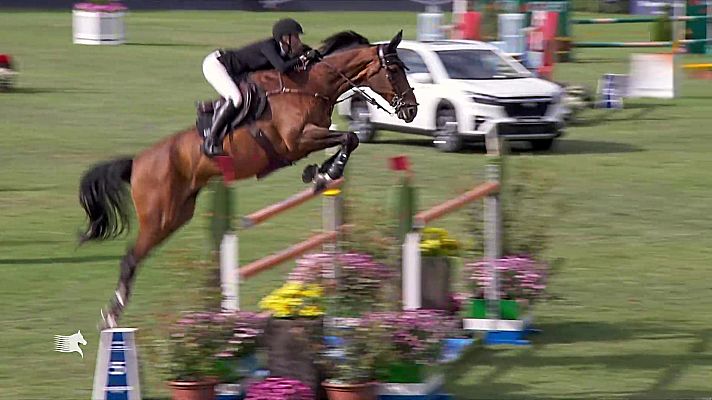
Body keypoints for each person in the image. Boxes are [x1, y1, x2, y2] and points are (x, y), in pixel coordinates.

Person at [201, 18, 321, 157]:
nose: (297, 40)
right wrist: (303, 58)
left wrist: (314, 56)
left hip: (237, 73)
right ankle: (211, 141)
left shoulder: (285, 49)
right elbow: (282, 68)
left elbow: (305, 55)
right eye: (295, 36)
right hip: (217, 65)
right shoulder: (269, 46)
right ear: (284, 38)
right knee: (236, 99)